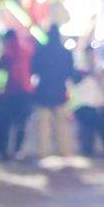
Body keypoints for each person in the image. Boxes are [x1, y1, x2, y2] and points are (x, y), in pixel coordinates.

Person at [30, 24, 77, 163]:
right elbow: (70, 72)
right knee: (62, 124)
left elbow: (34, 69)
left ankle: (43, 152)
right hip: (59, 91)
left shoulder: (41, 51)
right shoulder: (65, 52)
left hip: (43, 90)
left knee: (43, 125)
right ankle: (64, 151)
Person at [0, 28, 34, 159]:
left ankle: (2, 150)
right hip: (26, 92)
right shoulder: (26, 52)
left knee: (5, 123)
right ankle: (17, 151)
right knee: (21, 123)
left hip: (11, 92)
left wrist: (0, 88)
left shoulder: (7, 53)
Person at [71, 62, 104, 158]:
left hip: (103, 107)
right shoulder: (85, 81)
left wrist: (101, 84)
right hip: (84, 108)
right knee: (93, 117)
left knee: (102, 117)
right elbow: (80, 99)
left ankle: (95, 147)